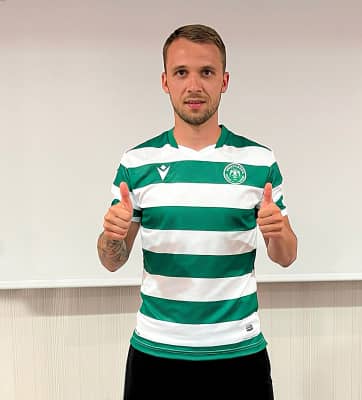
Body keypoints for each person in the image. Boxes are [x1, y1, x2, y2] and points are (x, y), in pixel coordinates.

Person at [97, 23, 297, 399]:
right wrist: (111, 236)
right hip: (156, 354)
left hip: (239, 354)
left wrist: (278, 231)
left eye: (206, 72)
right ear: (165, 81)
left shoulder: (259, 161)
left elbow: (286, 256)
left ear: (224, 81)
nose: (193, 85)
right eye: (181, 72)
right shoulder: (136, 163)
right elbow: (112, 261)